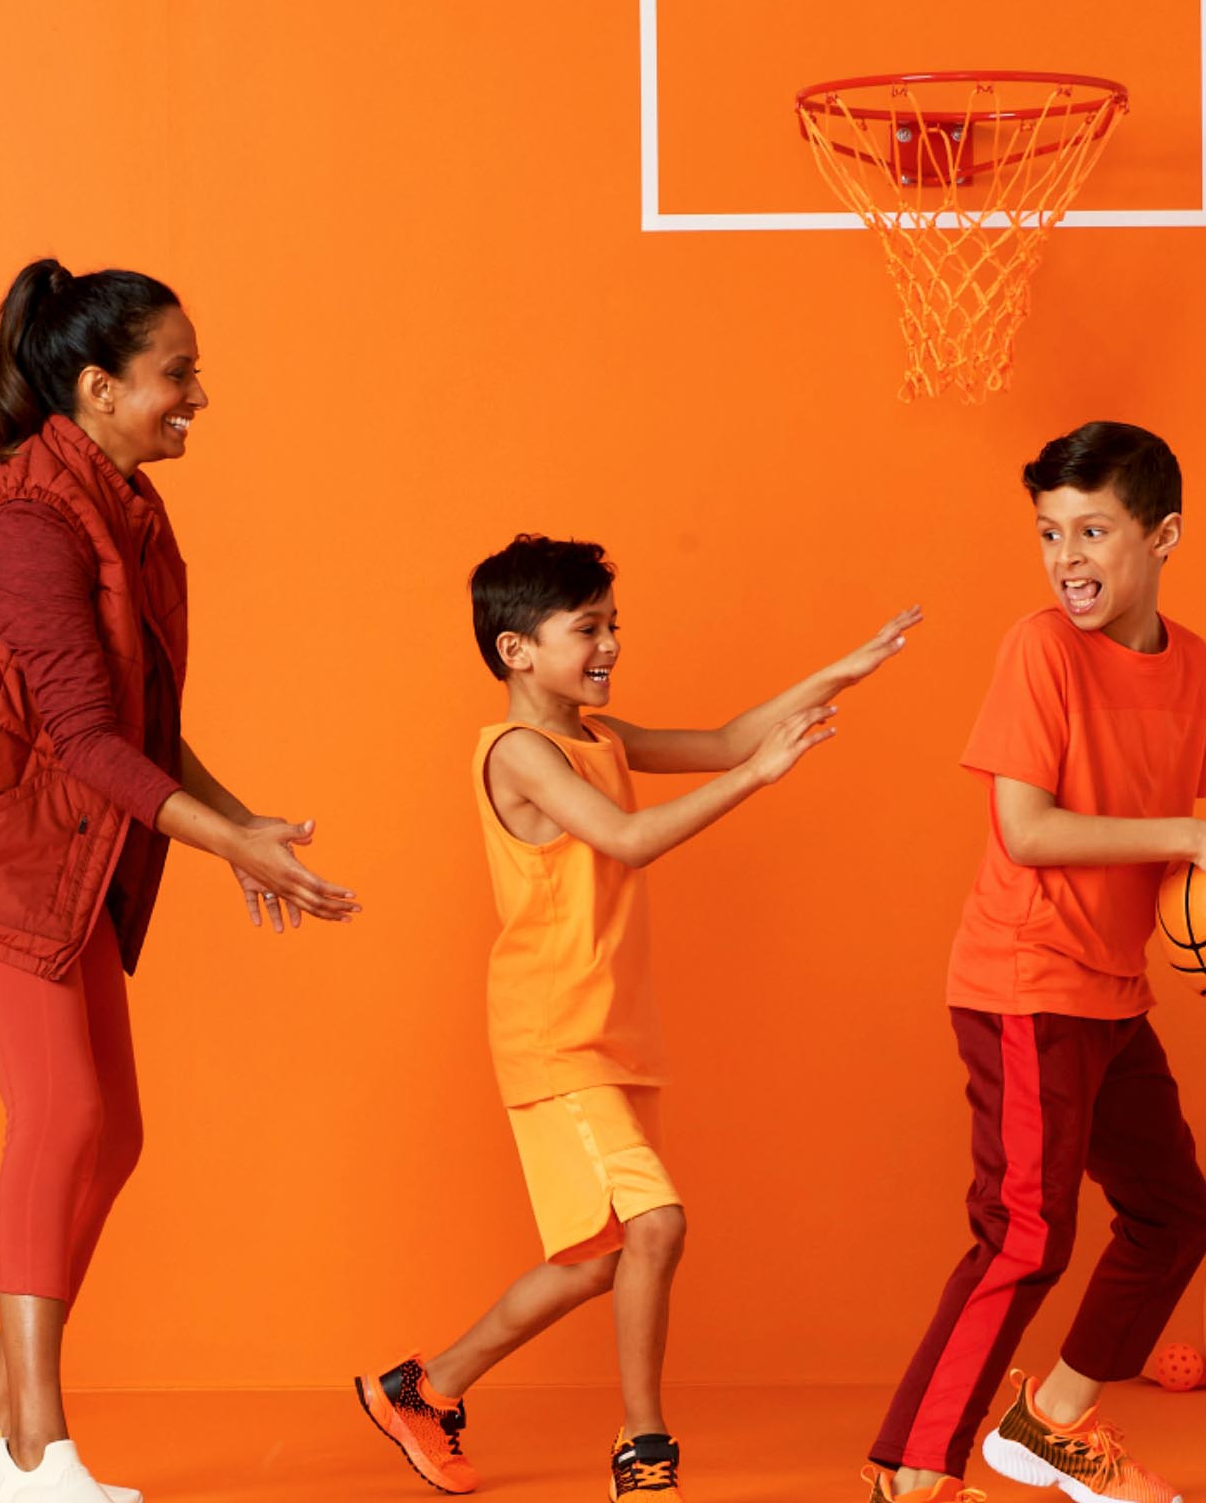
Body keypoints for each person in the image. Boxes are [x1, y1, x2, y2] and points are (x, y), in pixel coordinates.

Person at [0, 259, 358, 1503]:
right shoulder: (31, 525)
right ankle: (38, 1450)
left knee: (116, 1129)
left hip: (63, 843)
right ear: (99, 388)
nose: (199, 394)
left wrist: (242, 818)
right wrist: (224, 841)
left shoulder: (121, 505)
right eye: (178, 374)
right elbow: (88, 740)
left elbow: (128, 715)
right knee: (65, 1117)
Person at [355, 532, 921, 1500]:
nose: (612, 644)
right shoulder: (522, 754)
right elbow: (627, 837)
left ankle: (423, 1388)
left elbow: (731, 735)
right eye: (588, 629)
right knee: (655, 1226)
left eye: (615, 625)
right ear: (516, 651)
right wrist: (757, 780)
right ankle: (644, 1446)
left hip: (612, 1036)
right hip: (553, 1034)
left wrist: (843, 671)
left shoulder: (598, 737)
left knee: (596, 1258)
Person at [862, 422, 1206, 1503]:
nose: (1067, 557)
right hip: (1022, 982)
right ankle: (912, 1472)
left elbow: (1148, 840)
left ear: (1163, 536)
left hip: (1112, 993)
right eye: (1049, 532)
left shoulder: (1198, 670)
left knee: (1172, 1217)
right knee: (1025, 1234)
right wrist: (1189, 839)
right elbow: (1032, 829)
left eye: (1093, 530)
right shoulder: (1039, 648)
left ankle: (1048, 1423)